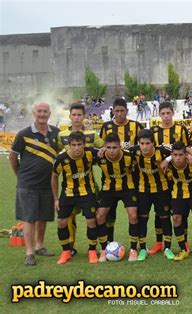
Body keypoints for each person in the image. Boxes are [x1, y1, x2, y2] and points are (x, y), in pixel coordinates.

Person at [9, 102, 60, 266]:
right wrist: (20, 175)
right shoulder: (24, 134)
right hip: (28, 184)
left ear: (50, 114)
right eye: (39, 111)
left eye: (45, 111)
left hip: (48, 184)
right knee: (29, 218)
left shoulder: (56, 134)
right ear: (34, 113)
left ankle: (39, 246)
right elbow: (12, 156)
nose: (42, 114)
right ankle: (29, 252)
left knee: (43, 217)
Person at [57, 103, 104, 256]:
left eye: (79, 115)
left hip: (88, 184)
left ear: (84, 116)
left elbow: (105, 148)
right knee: (69, 216)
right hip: (70, 184)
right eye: (74, 115)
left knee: (93, 217)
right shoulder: (61, 135)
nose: (76, 118)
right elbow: (58, 154)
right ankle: (70, 246)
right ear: (70, 116)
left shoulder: (92, 134)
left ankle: (96, 247)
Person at [99, 98, 143, 243]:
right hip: (110, 177)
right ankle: (109, 243)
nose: (119, 114)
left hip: (130, 176)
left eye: (122, 111)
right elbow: (102, 147)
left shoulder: (136, 126)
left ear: (127, 111)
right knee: (109, 215)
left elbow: (141, 147)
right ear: (112, 111)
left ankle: (138, 244)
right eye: (116, 111)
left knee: (136, 212)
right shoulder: (106, 127)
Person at [51, 131, 99, 265]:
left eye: (79, 144)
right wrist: (56, 199)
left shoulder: (90, 153)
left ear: (84, 144)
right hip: (68, 194)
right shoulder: (61, 159)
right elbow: (54, 177)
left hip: (87, 192)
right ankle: (66, 251)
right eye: (73, 145)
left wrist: (102, 152)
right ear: (69, 145)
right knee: (61, 222)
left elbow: (104, 152)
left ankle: (92, 251)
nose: (76, 148)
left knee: (91, 221)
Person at [150, 101, 190, 254]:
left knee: (180, 211)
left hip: (178, 177)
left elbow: (185, 149)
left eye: (168, 113)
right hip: (159, 177)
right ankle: (159, 242)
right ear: (159, 115)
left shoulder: (180, 129)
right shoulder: (153, 131)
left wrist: (168, 160)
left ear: (173, 113)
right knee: (160, 212)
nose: (166, 116)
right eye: (163, 114)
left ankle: (184, 241)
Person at [129, 129, 174, 261]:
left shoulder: (162, 151)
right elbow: (119, 151)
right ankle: (143, 248)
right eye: (142, 143)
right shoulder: (134, 151)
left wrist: (168, 159)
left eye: (147, 143)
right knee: (143, 218)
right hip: (144, 190)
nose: (144, 146)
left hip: (162, 189)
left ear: (153, 143)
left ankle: (167, 248)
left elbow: (179, 151)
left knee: (165, 217)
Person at [95, 133, 139, 262]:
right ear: (104, 147)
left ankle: (133, 249)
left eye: (115, 147)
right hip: (109, 189)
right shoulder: (99, 157)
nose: (112, 150)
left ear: (120, 146)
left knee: (133, 215)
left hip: (127, 188)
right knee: (100, 216)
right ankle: (104, 249)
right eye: (108, 147)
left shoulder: (129, 156)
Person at [166, 142, 192, 262]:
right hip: (178, 193)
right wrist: (166, 160)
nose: (177, 158)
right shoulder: (168, 163)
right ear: (171, 155)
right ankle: (183, 249)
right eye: (175, 155)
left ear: (186, 154)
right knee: (176, 218)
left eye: (180, 155)